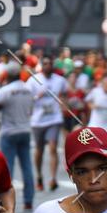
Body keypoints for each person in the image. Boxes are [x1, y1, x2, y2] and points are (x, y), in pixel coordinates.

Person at [0, 62, 35, 212]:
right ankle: (28, 201)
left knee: (7, 168)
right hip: (25, 130)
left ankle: (4, 202)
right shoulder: (28, 90)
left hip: (9, 131)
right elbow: (31, 110)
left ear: (8, 75)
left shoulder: (5, 91)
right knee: (27, 166)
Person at [28, 55, 68, 191]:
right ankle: (39, 176)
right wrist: (36, 96)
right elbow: (27, 100)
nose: (48, 66)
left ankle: (53, 178)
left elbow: (64, 96)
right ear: (41, 66)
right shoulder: (33, 80)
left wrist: (63, 103)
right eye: (45, 64)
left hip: (54, 119)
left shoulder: (60, 81)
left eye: (50, 63)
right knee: (39, 150)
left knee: (53, 147)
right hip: (38, 120)